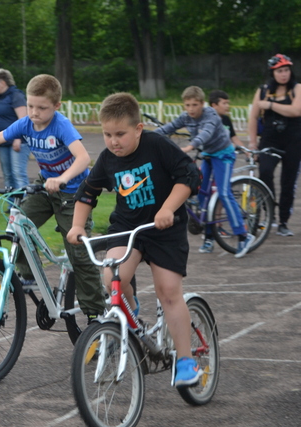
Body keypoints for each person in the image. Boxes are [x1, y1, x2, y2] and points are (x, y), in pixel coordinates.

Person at [66, 92, 203, 386]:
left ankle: (186, 360)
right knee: (111, 278)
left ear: (138, 129)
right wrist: (78, 226)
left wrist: (168, 208)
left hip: (165, 230)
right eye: (107, 134)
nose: (114, 141)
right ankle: (131, 313)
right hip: (128, 229)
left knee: (168, 292)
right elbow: (87, 193)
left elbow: (189, 177)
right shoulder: (107, 160)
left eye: (120, 134)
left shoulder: (157, 146)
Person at [0, 74, 106, 322]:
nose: (34, 112)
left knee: (78, 252)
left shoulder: (61, 125)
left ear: (56, 106)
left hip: (73, 192)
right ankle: (28, 276)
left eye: (42, 108)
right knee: (17, 223)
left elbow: (83, 158)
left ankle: (96, 314)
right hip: (45, 186)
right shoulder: (26, 123)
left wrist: (62, 179)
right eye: (30, 106)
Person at [155, 86, 255, 257]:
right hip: (208, 155)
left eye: (195, 105)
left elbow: (206, 133)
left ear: (202, 103)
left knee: (223, 193)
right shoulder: (187, 116)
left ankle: (243, 235)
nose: (191, 109)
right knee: (201, 194)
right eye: (187, 105)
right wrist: (144, 137)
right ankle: (209, 237)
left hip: (224, 155)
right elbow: (168, 128)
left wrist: (190, 146)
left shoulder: (211, 115)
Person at [247, 53, 301, 237]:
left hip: (293, 141)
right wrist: (253, 143)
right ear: (273, 73)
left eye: (286, 70)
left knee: (288, 182)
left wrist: (269, 105)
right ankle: (267, 213)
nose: (284, 74)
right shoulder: (262, 91)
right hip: (269, 139)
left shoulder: (297, 88)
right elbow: (253, 117)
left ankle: (283, 221)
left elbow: (296, 110)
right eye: (279, 71)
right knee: (265, 173)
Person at [0, 69, 29, 189]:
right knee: (7, 175)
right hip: (3, 142)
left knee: (18, 174)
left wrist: (18, 138)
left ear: (3, 83)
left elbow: (23, 119)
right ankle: (11, 206)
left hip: (17, 142)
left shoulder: (16, 96)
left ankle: (24, 205)